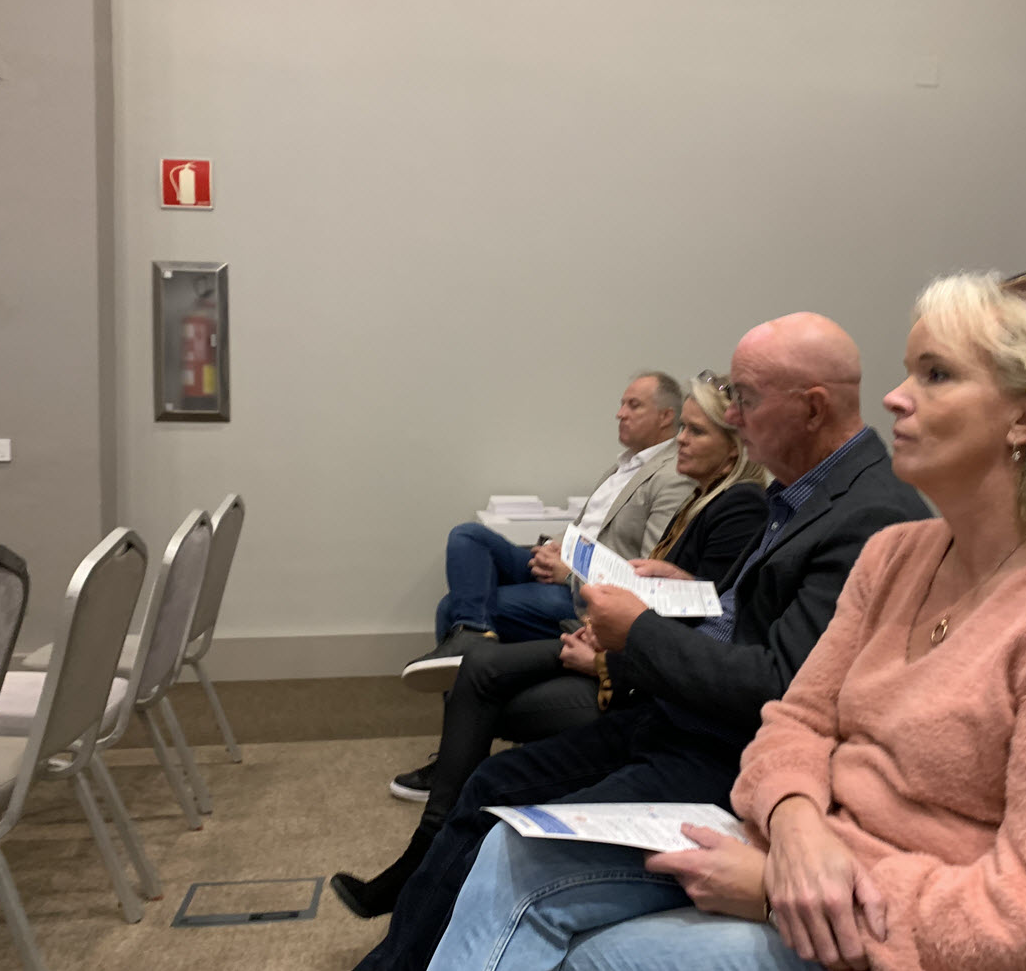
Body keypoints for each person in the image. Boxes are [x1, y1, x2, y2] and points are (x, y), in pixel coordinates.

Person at [427, 269, 1026, 971]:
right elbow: (795, 720)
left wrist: (780, 891)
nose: (895, 398)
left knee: (592, 955)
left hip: (883, 921)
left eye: (936, 374)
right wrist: (796, 823)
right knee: (512, 856)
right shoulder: (902, 554)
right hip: (799, 848)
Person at [350, 313, 929, 971]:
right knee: (491, 784)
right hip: (679, 719)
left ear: (813, 408)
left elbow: (782, 686)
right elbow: (759, 621)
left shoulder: (868, 514)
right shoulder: (804, 492)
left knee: (509, 847)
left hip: (727, 754)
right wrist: (691, 592)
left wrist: (638, 631)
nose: (733, 416)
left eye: (744, 398)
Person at [332, 373, 770, 918]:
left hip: (637, 675)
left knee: (481, 677)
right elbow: (684, 602)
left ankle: (426, 847)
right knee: (474, 640)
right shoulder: (701, 500)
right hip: (623, 643)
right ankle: (429, 840)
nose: (680, 439)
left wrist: (606, 650)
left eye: (695, 431)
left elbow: (702, 627)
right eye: (682, 428)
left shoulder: (737, 507)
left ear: (733, 449)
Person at [402, 372, 694, 691]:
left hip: (582, 592)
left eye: (633, 405)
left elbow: (648, 571)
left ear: (666, 416)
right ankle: (474, 634)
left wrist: (570, 575)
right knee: (468, 536)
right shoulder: (623, 465)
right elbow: (585, 526)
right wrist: (552, 547)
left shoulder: (672, 477)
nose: (620, 413)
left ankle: (471, 654)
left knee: (451, 607)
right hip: (563, 561)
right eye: (622, 404)